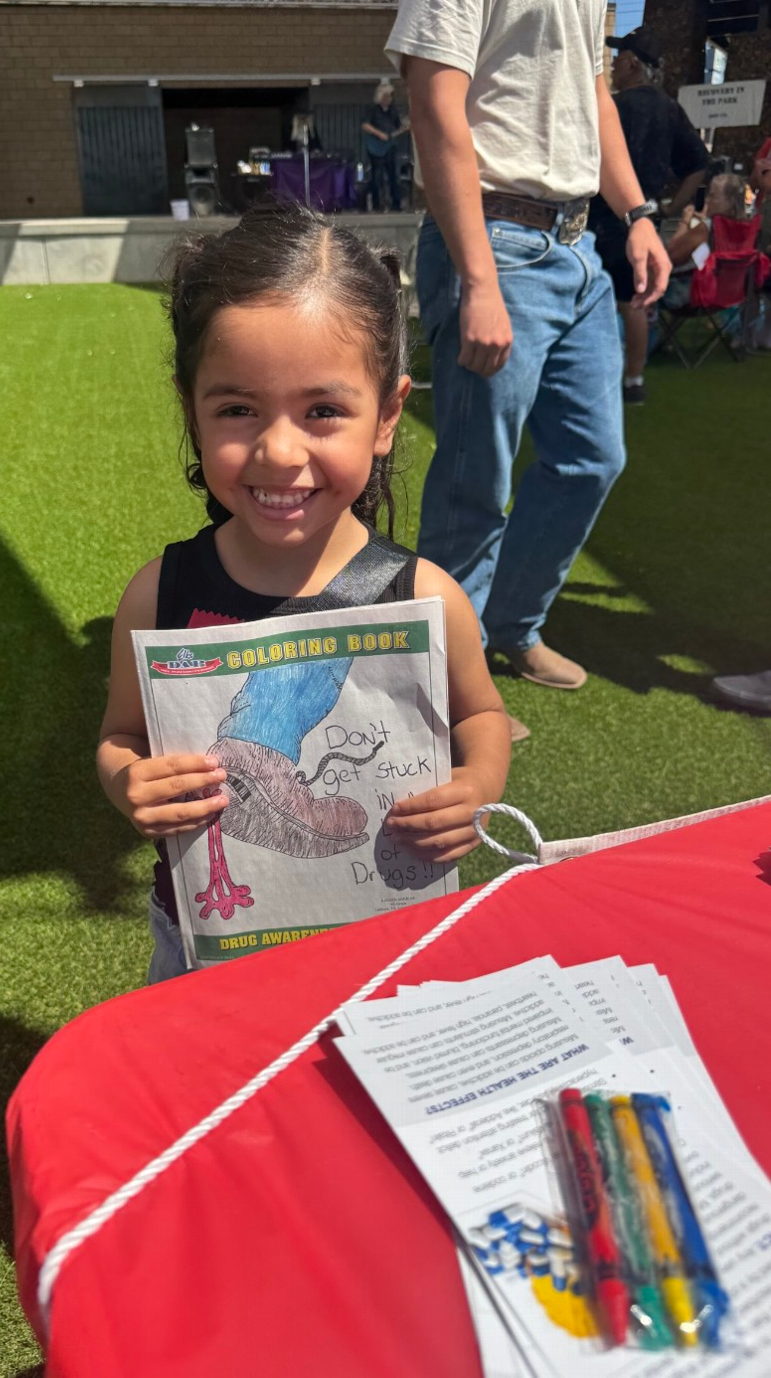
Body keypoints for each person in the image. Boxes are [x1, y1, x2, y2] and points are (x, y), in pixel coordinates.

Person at [96, 203, 511, 983]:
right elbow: (121, 735)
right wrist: (129, 781)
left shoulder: (422, 596)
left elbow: (483, 715)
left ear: (387, 414)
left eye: (323, 411)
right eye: (237, 409)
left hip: (380, 948)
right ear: (191, 408)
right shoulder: (161, 594)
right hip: (202, 947)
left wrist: (474, 787)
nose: (279, 450)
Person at [385, 0, 670, 716]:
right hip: (495, 242)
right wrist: (477, 280)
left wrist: (636, 214)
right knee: (473, 482)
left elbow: (591, 94)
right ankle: (452, 686)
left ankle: (510, 624)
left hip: (578, 246)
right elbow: (433, 104)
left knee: (592, 459)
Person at [590, 26, 709, 405]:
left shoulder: (613, 107)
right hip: (645, 218)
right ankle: (634, 380)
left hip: (600, 216)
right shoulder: (671, 110)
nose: (612, 65)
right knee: (635, 302)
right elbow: (698, 165)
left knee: (591, 298)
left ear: (632, 64)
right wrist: (673, 207)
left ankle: (592, 380)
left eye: (618, 58)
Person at [662, 172, 750, 308]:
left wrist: (685, 221)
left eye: (713, 195)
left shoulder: (706, 228)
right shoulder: (747, 228)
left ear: (729, 202)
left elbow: (672, 256)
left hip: (691, 293)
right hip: (732, 292)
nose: (707, 200)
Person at [361, 81, 409, 212]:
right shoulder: (372, 110)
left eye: (390, 96)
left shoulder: (393, 111)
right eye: (386, 96)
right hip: (375, 147)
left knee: (394, 175)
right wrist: (379, 134)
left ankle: (395, 204)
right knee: (377, 176)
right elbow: (365, 125)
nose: (389, 99)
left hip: (390, 147)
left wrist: (405, 127)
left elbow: (398, 127)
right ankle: (377, 204)